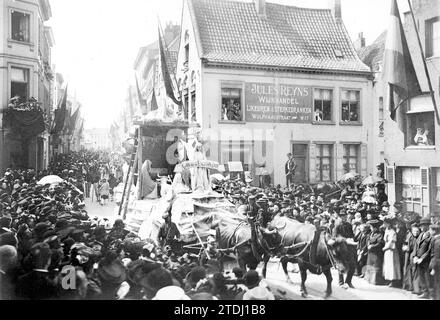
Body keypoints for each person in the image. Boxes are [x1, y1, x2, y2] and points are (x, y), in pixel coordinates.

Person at [332, 210, 356, 288]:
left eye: (345, 215)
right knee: (341, 266)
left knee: (352, 265)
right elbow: (334, 237)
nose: (344, 217)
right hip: (340, 247)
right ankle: (341, 282)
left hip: (349, 247)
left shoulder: (349, 225)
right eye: (342, 216)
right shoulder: (337, 225)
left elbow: (352, 234)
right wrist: (343, 240)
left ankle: (348, 281)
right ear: (339, 217)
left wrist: (351, 239)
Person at [412, 217, 432, 299]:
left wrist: (422, 258)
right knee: (421, 276)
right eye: (421, 226)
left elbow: (430, 249)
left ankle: (429, 293)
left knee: (427, 277)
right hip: (418, 259)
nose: (421, 227)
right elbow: (417, 247)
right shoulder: (421, 234)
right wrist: (415, 256)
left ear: (427, 226)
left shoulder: (430, 235)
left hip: (426, 260)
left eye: (423, 226)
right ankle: (424, 292)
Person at [364, 220, 385, 285]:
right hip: (370, 253)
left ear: (375, 228)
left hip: (377, 253)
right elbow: (367, 240)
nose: (371, 228)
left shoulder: (380, 234)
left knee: (376, 265)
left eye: (371, 227)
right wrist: (368, 245)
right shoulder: (371, 233)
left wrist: (372, 246)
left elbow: (380, 243)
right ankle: (369, 279)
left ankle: (376, 281)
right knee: (369, 264)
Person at [382, 218, 401, 287]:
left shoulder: (392, 232)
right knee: (387, 265)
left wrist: (385, 247)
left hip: (391, 250)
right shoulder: (386, 230)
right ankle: (388, 279)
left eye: (385, 223)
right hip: (387, 250)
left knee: (392, 265)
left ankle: (393, 280)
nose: (384, 225)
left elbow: (391, 242)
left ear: (389, 224)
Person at [402, 224, 420, 292]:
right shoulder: (410, 237)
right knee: (409, 271)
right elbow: (409, 246)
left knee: (415, 272)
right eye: (414, 231)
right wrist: (405, 248)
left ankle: (416, 288)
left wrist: (407, 249)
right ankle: (410, 286)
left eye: (417, 231)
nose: (416, 233)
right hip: (410, 256)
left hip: (415, 256)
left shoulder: (419, 238)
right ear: (412, 231)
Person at [429, 224, 440, 300]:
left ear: (434, 231)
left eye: (430, 230)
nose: (429, 231)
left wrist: (433, 267)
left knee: (436, 283)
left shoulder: (437, 241)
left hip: (437, 265)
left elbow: (436, 256)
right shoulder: (436, 239)